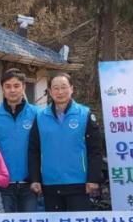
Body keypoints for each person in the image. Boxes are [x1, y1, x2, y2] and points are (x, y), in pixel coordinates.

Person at [28, 73, 103, 212]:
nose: (60, 92)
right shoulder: (40, 117)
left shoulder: (84, 114)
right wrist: (35, 179)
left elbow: (95, 150)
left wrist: (93, 178)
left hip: (79, 183)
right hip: (50, 183)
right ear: (50, 91)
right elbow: (33, 151)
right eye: (56, 88)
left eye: (64, 87)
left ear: (72, 89)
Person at [0, 68, 39, 213]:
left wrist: (37, 178)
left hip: (30, 183)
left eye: (16, 86)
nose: (12, 90)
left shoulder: (37, 114)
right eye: (8, 86)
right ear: (2, 89)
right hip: (3, 183)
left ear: (24, 87)